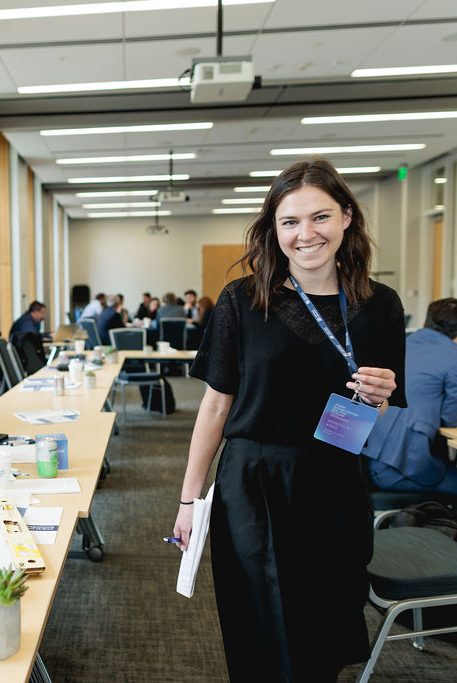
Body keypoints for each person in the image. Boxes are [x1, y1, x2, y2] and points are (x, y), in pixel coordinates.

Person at [173, 159, 405, 680]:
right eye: (290, 222)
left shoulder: (380, 305)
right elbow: (215, 405)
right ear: (273, 231)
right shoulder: (242, 299)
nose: (306, 234)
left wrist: (378, 398)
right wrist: (190, 499)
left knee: (325, 624)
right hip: (254, 482)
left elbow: (372, 410)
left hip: (335, 478)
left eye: (320, 217)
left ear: (346, 218)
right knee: (262, 627)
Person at [363, 298, 457, 515]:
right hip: (395, 467)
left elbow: (414, 394)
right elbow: (451, 418)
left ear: (424, 323)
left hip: (359, 460)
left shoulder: (395, 342)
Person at [10, 301, 48, 374]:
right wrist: (48, 335)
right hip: (24, 358)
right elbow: (35, 335)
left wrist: (48, 334)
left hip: (26, 357)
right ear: (35, 312)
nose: (43, 316)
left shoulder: (30, 320)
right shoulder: (26, 321)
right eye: (42, 313)